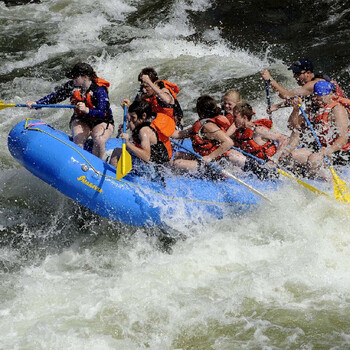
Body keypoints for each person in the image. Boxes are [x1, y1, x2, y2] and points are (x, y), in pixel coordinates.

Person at [26, 62, 114, 159]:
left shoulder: (99, 90)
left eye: (75, 77)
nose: (73, 79)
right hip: (81, 119)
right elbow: (55, 97)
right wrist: (37, 103)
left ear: (85, 77)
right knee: (78, 139)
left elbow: (102, 113)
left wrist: (87, 110)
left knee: (99, 140)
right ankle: (78, 163)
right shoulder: (72, 86)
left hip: (101, 121)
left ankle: (98, 165)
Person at [275, 81, 350, 179]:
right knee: (293, 156)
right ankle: (300, 179)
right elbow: (293, 126)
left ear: (330, 94)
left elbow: (344, 138)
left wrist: (328, 150)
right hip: (319, 149)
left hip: (338, 153)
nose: (319, 102)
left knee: (314, 159)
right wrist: (296, 110)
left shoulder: (337, 109)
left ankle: (326, 183)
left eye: (321, 99)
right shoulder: (314, 109)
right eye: (316, 99)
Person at [171, 95, 236, 177]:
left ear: (199, 111)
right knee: (178, 154)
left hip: (216, 164)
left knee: (177, 163)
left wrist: (209, 157)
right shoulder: (201, 124)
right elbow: (178, 134)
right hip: (205, 159)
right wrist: (158, 130)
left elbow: (229, 143)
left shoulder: (209, 127)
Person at [260, 58, 344, 114]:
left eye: (297, 73)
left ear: (308, 73)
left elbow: (286, 95)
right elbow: (297, 99)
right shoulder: (315, 82)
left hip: (336, 115)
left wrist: (270, 79)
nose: (294, 76)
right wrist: (277, 106)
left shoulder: (313, 84)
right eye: (294, 73)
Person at [109, 100, 175, 167]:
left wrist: (127, 143)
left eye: (133, 117)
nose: (130, 120)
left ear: (143, 115)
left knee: (117, 151)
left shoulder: (144, 131)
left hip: (152, 169)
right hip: (158, 165)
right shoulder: (146, 121)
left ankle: (111, 176)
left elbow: (146, 157)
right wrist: (126, 109)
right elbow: (133, 126)